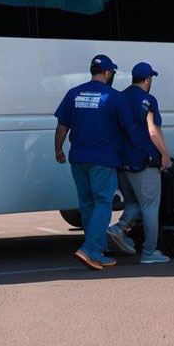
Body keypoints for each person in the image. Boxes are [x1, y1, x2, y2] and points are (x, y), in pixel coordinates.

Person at [54, 54, 133, 270]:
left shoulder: (74, 93)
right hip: (103, 159)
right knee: (103, 202)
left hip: (78, 158)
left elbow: (62, 126)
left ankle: (95, 252)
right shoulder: (114, 97)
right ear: (108, 73)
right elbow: (128, 127)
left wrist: (58, 149)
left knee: (87, 203)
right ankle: (90, 249)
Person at [106, 62, 171, 264]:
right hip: (144, 162)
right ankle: (150, 252)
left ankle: (118, 229)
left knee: (134, 202)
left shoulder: (120, 97)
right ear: (148, 79)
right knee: (150, 207)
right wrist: (164, 153)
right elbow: (153, 131)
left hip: (122, 163)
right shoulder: (148, 100)